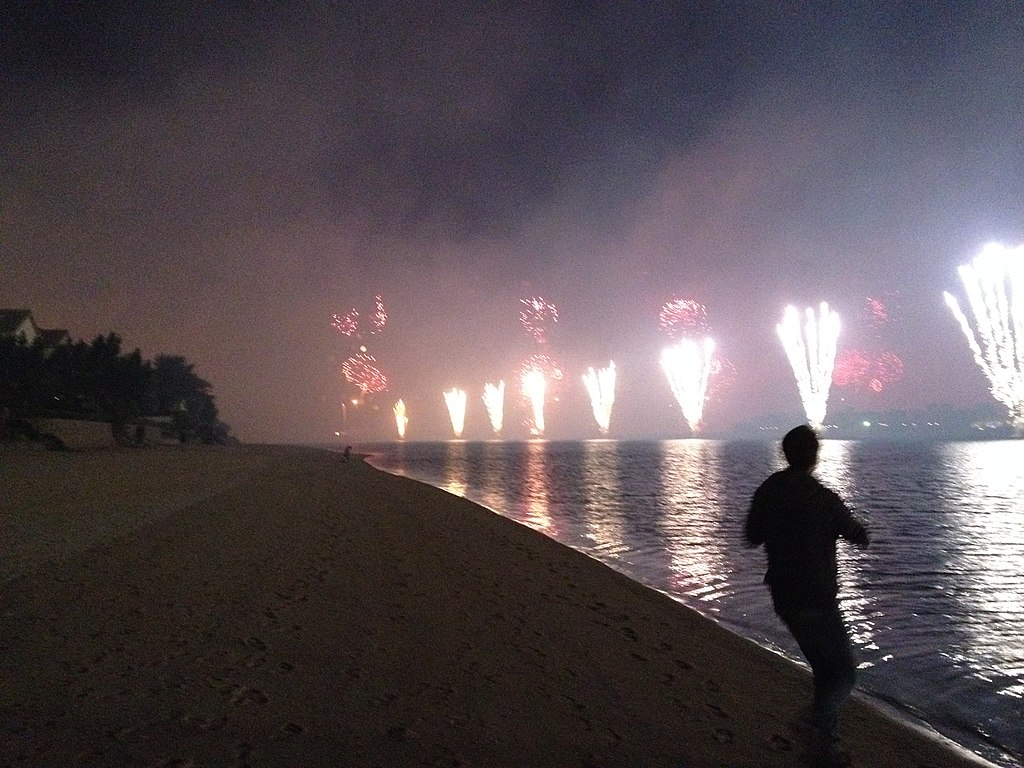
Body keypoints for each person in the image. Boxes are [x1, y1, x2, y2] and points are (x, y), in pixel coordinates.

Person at [744, 424, 870, 765]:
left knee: (823, 670)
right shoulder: (824, 499)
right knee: (843, 675)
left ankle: (824, 751)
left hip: (784, 598)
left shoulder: (768, 491)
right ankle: (813, 722)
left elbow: (751, 535)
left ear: (786, 454)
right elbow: (858, 535)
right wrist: (859, 529)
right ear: (814, 457)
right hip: (817, 598)